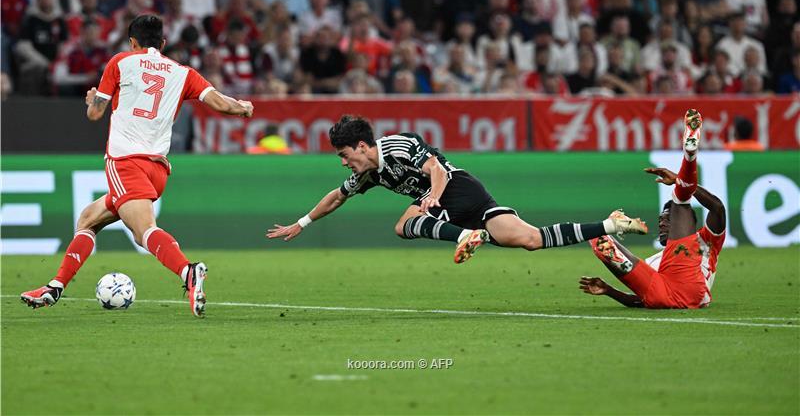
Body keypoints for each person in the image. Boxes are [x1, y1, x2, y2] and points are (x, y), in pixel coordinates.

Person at [20, 15, 254, 317]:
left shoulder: (120, 62)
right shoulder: (182, 72)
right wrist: (243, 108)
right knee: (89, 219)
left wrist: (93, 100)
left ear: (132, 43)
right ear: (164, 44)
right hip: (157, 170)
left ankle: (188, 272)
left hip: (126, 162)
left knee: (143, 231)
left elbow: (95, 114)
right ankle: (55, 287)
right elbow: (222, 103)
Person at [267, 116, 648, 263]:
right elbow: (337, 196)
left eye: (345, 154)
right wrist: (302, 222)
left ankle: (466, 235)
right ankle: (613, 224)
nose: (343, 161)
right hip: (462, 201)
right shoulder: (368, 174)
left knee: (404, 225)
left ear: (364, 146)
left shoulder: (397, 144)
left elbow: (435, 168)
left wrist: (431, 197)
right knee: (530, 239)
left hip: (457, 189)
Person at [579, 109, 728, 309]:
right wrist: (609, 291)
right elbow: (641, 299)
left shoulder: (706, 241)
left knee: (679, 199)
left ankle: (688, 160)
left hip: (690, 288)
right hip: (660, 297)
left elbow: (717, 208)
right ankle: (618, 224)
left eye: (668, 219)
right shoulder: (654, 261)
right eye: (661, 219)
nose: (662, 222)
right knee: (598, 238)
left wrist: (678, 180)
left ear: (688, 223)